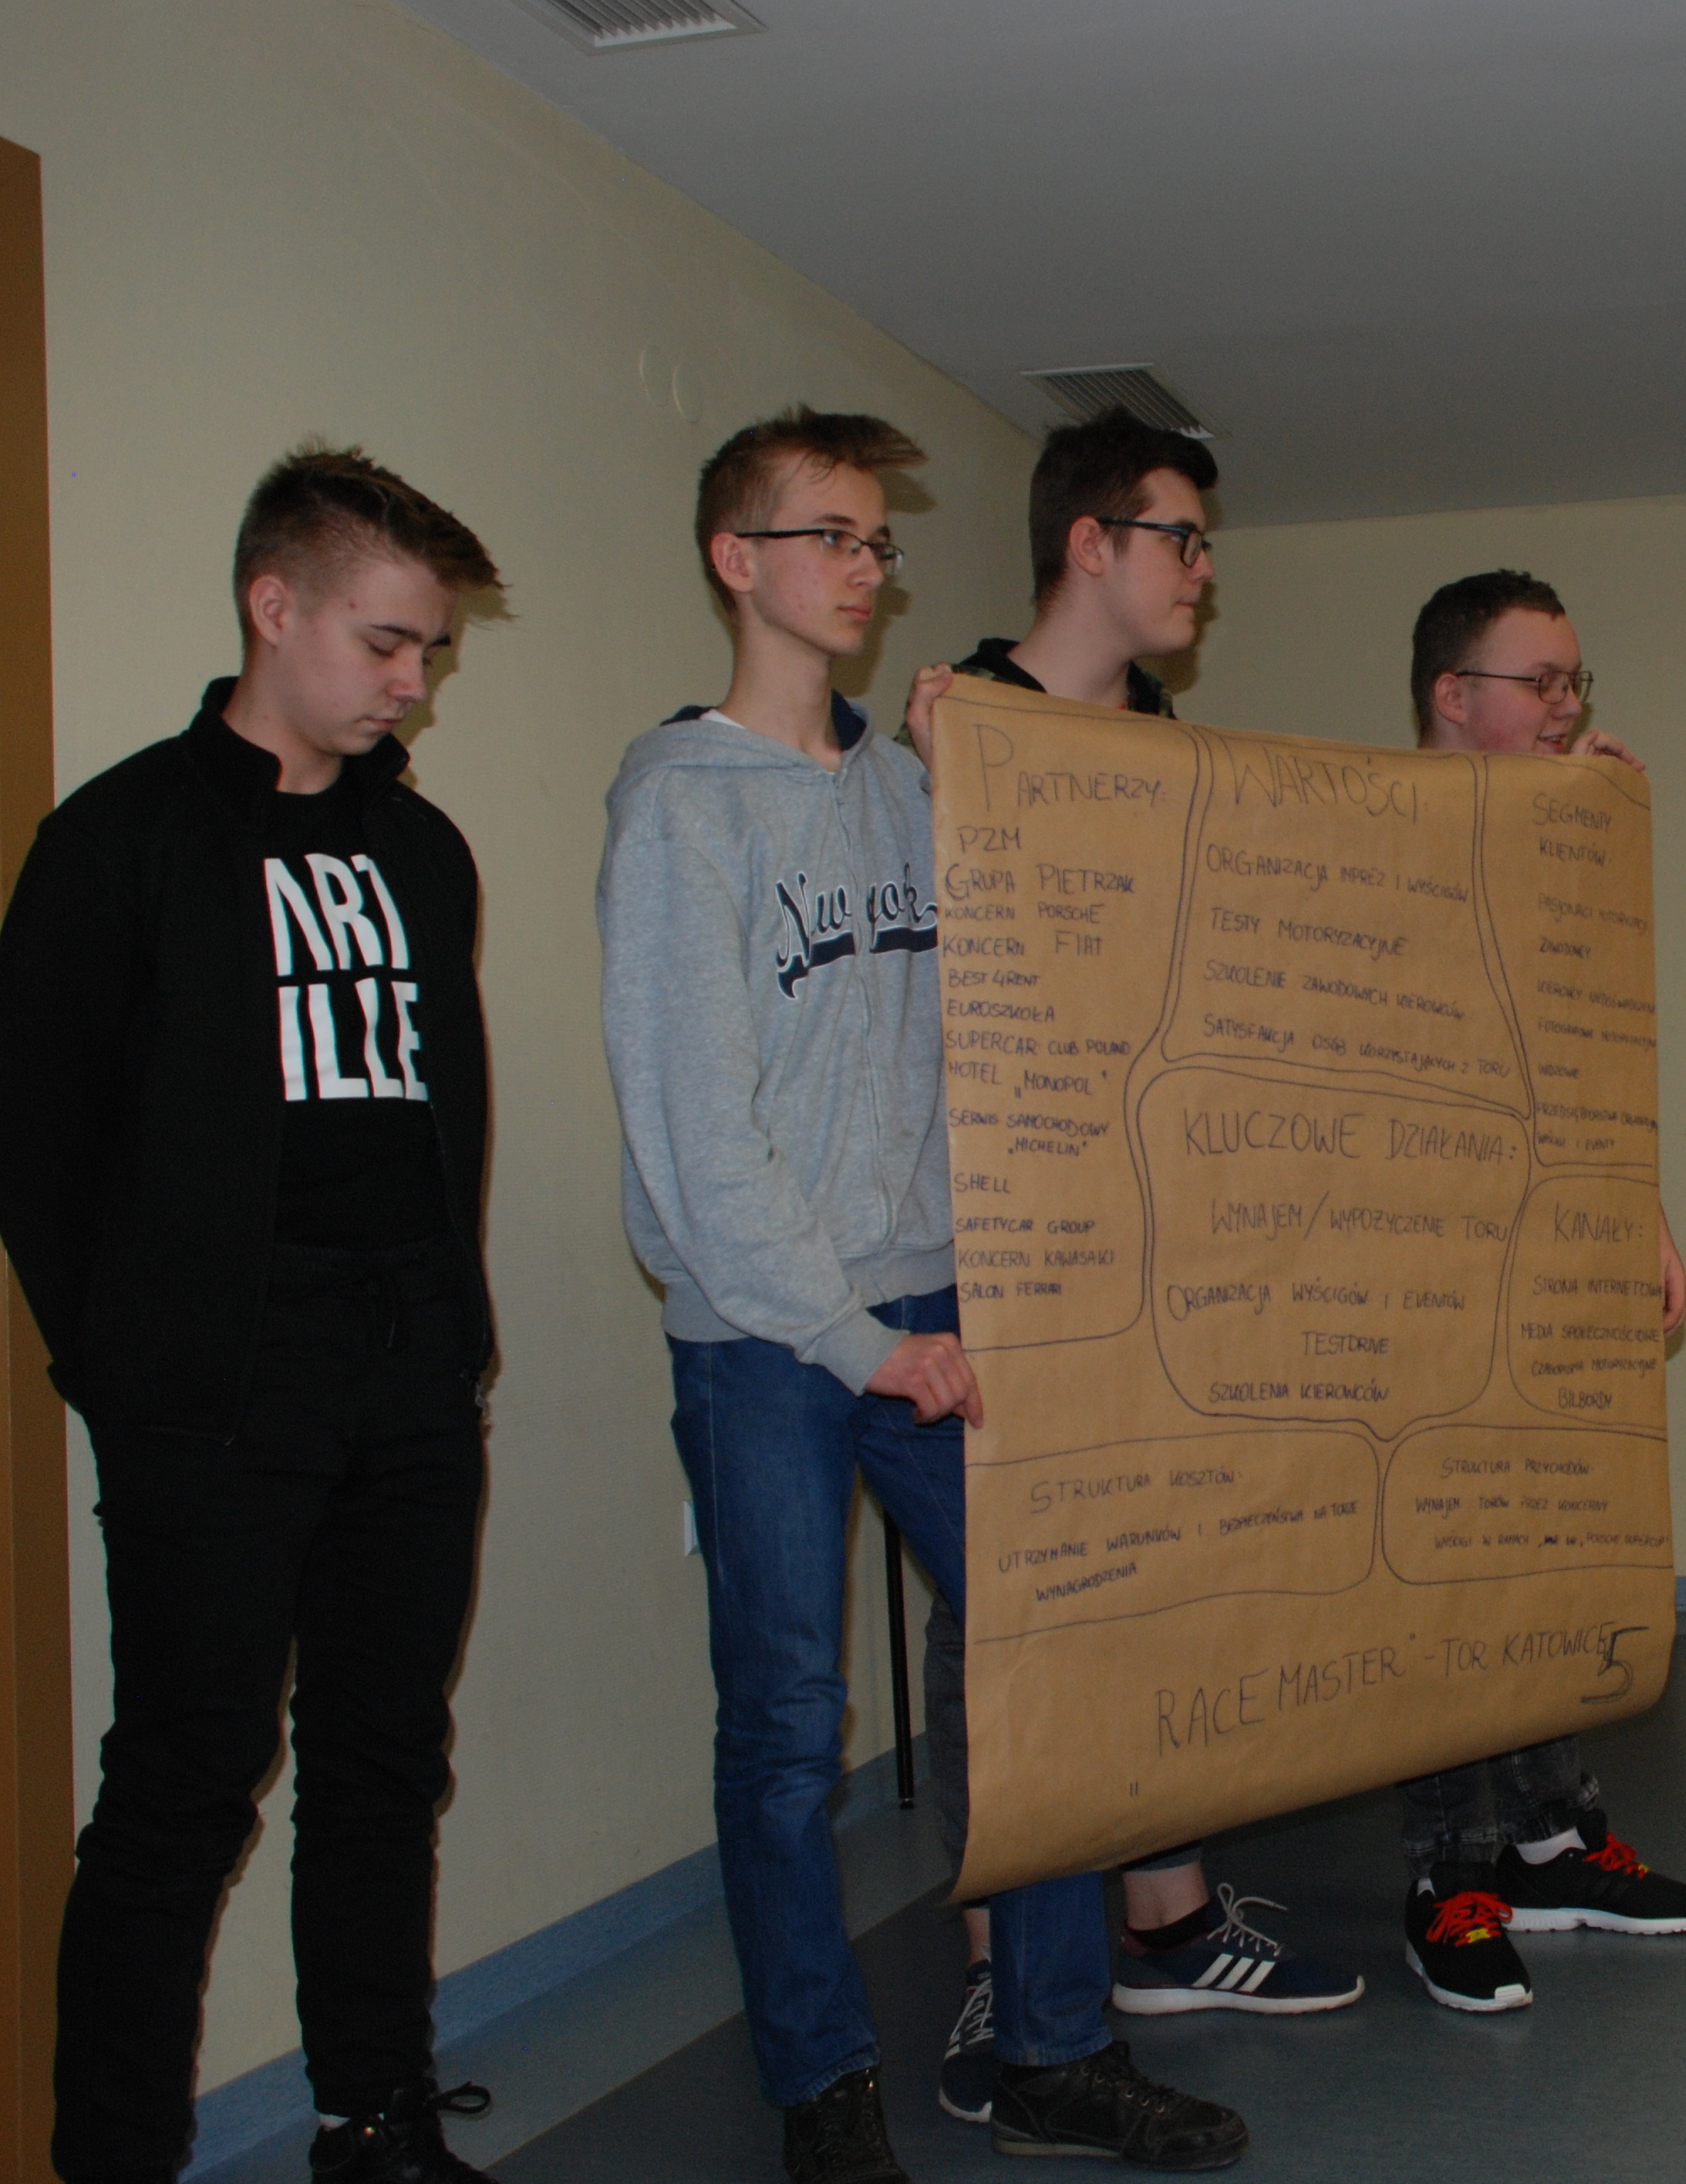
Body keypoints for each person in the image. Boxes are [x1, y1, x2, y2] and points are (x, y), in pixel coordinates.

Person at [597, 405, 1244, 2180]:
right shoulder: (679, 806)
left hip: (934, 1302)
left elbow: (1027, 1012)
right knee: (787, 1729)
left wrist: (988, 773)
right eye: (830, 537)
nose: (866, 571)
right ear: (738, 560)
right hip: (766, 1339)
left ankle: (1052, 2049)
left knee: (1051, 1658)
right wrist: (856, 1342)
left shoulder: (905, 786)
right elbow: (697, 1134)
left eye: (877, 542)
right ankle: (824, 2089)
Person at [0, 447, 507, 2182]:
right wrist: (130, 1367)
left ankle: (377, 2119)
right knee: (183, 1787)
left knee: (383, 1766)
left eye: (428, 648)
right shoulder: (121, 838)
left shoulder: (421, 850)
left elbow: (438, 1109)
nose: (412, 680)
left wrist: (445, 1334)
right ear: (274, 608)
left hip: (407, 1370)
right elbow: (27, 1125)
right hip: (216, 1392)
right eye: (385, 642)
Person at [903, 410, 1366, 2106]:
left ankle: (1165, 1920)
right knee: (1005, 1598)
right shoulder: (960, 728)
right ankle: (995, 1970)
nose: (1202, 570)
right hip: (1003, 1235)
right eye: (1179, 537)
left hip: (1160, 1230)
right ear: (1088, 544)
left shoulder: (1166, 741)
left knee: (1168, 1569)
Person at [1392, 570, 1686, 2012]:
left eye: (1578, 681)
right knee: (1444, 1578)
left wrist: (1641, 1211)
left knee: (1543, 1552)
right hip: (1411, 1267)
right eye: (1543, 683)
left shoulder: (1554, 834)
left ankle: (1551, 1843)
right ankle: (1449, 1877)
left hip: (1544, 1249)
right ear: (1454, 697)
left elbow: (1583, 1048)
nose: (1568, 708)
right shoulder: (1366, 843)